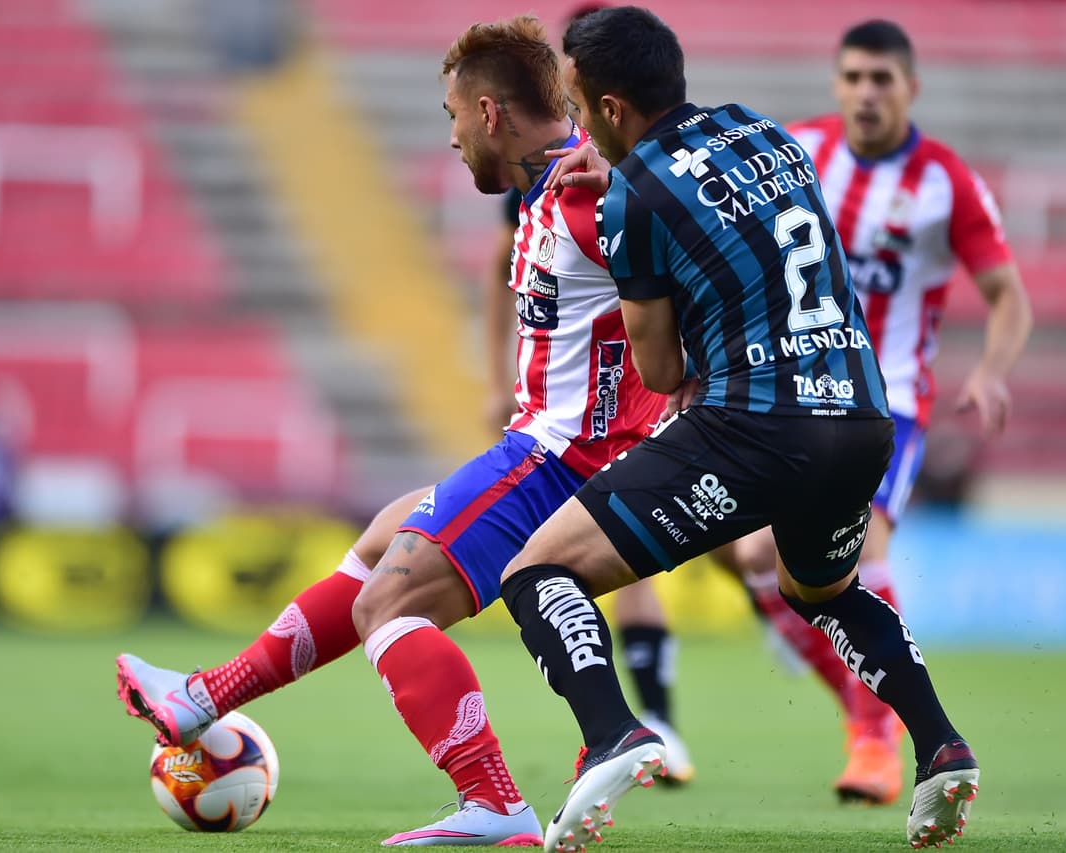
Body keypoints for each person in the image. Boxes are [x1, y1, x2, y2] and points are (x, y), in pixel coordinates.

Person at [115, 15, 668, 848]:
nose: (449, 139)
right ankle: (202, 697)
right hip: (552, 448)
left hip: (564, 461)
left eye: (452, 116)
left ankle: (494, 804)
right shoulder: (552, 185)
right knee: (382, 541)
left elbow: (679, 269)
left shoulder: (587, 193)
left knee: (389, 604)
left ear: (489, 113)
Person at [497, 7, 979, 851]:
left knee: (537, 571)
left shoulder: (633, 197)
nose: (573, 122)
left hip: (755, 423)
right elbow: (734, 214)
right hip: (863, 414)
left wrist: (626, 209)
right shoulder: (761, 129)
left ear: (611, 107)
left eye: (579, 102)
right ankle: (940, 743)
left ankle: (616, 732)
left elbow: (657, 374)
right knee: (820, 589)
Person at [608, 17, 1032, 807]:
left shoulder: (945, 182)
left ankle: (885, 738)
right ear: (837, 86)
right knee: (755, 563)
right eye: (853, 78)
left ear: (911, 87)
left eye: (882, 79)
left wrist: (993, 370)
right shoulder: (795, 150)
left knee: (858, 554)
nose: (866, 94)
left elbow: (1009, 295)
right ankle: (861, 712)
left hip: (888, 398)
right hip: (785, 389)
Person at [482, 0, 696, 787]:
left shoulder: (622, 174)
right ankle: (632, 725)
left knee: (565, 566)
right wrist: (495, 374)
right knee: (586, 563)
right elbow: (506, 274)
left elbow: (672, 269)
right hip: (585, 403)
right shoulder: (546, 173)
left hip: (632, 404)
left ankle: (633, 725)